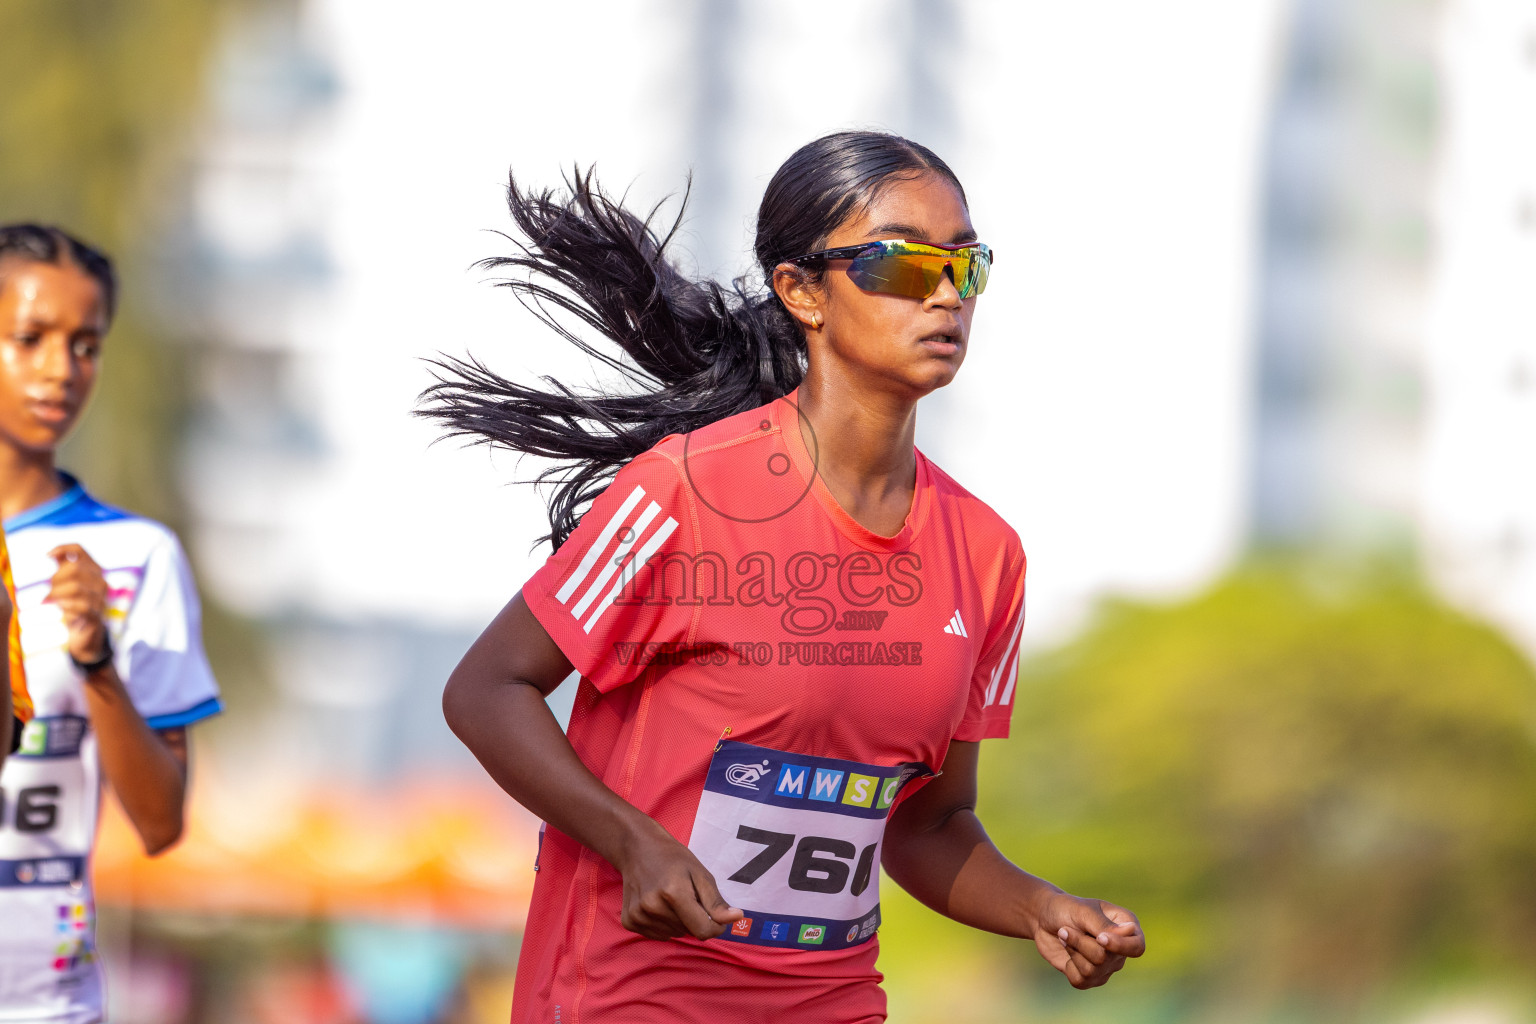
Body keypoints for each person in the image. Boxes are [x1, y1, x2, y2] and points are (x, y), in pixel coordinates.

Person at [423, 131, 1145, 1024]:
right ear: (802, 290)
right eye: (905, 265)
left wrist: (1040, 906)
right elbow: (487, 688)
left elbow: (927, 825)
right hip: (629, 999)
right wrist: (631, 841)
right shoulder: (682, 488)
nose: (949, 294)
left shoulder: (989, 555)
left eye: (968, 264)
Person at [0, 224, 221, 1024]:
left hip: (48, 1005)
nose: (61, 369)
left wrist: (97, 663)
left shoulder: (134, 556)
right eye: (29, 338)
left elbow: (161, 823)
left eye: (86, 345)